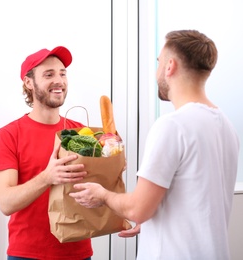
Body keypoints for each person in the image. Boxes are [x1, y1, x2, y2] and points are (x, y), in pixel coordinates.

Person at [69, 30, 240, 260]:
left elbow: (137, 209)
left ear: (170, 66)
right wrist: (154, 221)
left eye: (158, 62)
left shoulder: (172, 126)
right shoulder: (226, 126)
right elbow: (195, 197)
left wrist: (102, 195)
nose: (157, 70)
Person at [0, 46, 139, 260]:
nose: (59, 80)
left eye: (62, 73)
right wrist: (47, 177)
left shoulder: (81, 132)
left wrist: (112, 168)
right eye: (49, 74)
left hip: (78, 252)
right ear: (28, 82)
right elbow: (6, 203)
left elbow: (97, 188)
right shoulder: (9, 135)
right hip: (27, 254)